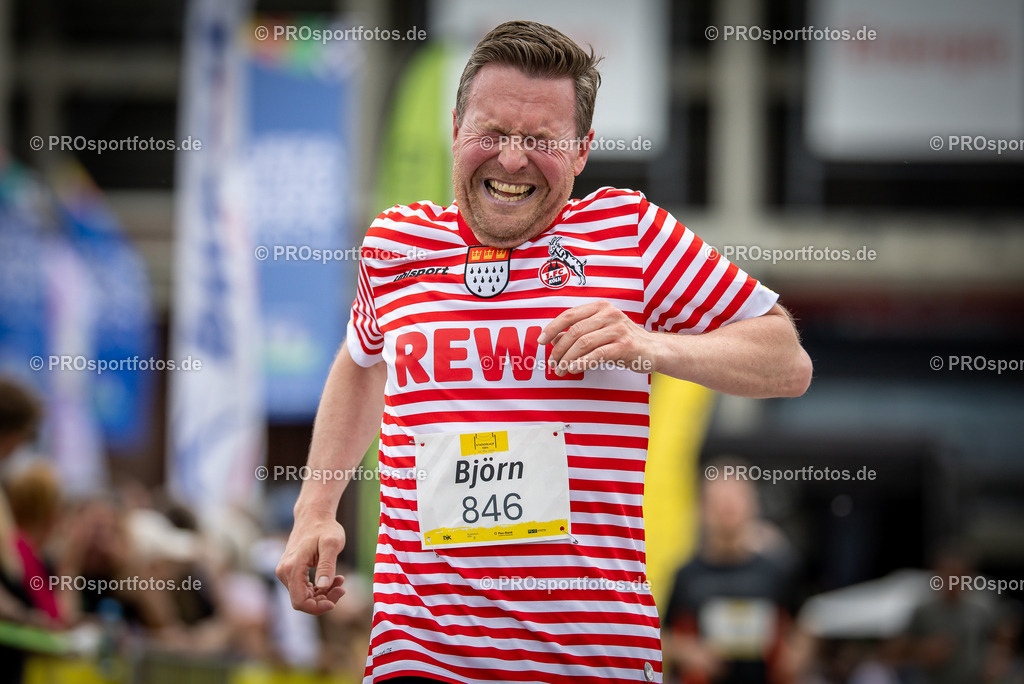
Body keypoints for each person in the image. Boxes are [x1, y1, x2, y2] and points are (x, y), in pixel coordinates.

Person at [276, 20, 812, 684]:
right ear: (454, 126)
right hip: (418, 657)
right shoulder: (396, 244)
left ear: (582, 151)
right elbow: (361, 361)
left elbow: (786, 359)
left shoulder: (629, 235)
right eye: (491, 133)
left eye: (540, 141)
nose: (509, 160)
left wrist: (647, 346)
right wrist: (314, 510)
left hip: (591, 661)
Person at [662, 461, 799, 684]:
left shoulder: (776, 572)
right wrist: (689, 653)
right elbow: (659, 638)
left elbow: (800, 629)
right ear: (703, 508)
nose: (727, 509)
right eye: (719, 502)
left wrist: (795, 656)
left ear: (753, 505)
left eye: (735, 500)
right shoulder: (686, 576)